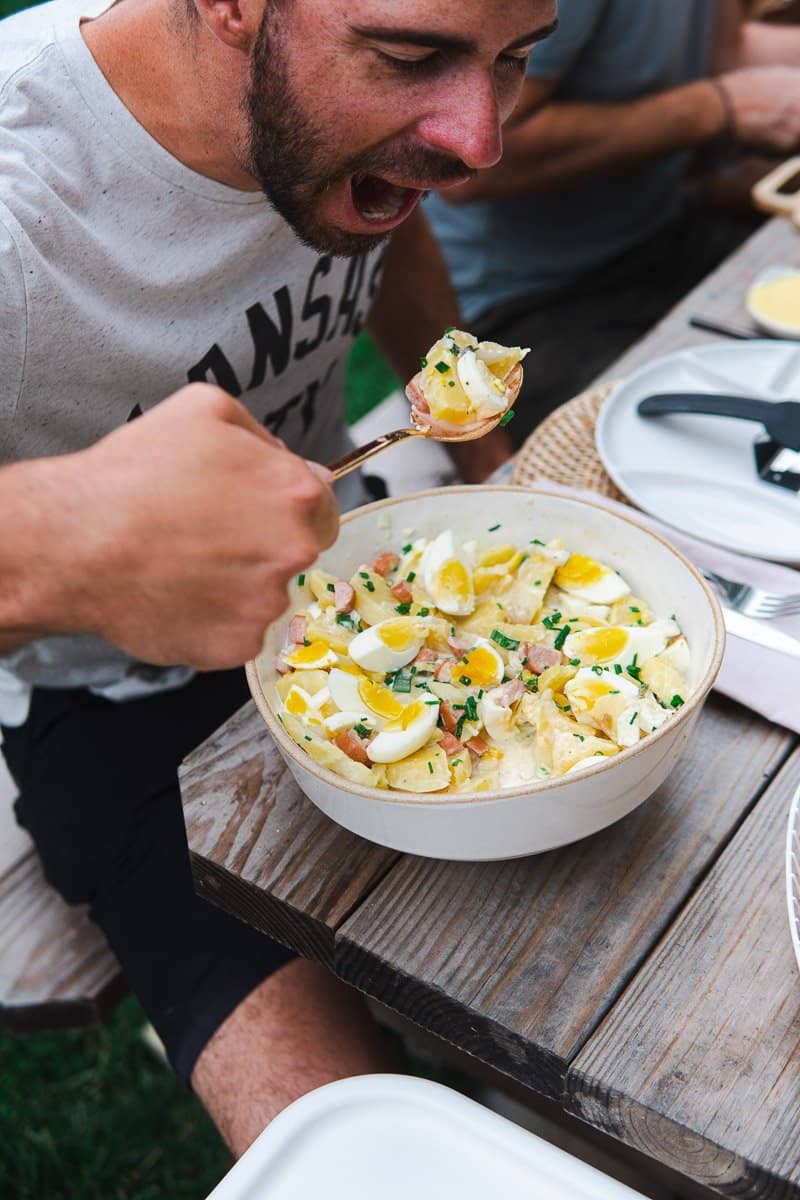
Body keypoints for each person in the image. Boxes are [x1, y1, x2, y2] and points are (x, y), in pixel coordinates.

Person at [0, 0, 558, 1157]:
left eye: (511, 62)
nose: (478, 141)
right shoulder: (20, 198)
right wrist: (57, 545)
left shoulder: (347, 143)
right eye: (411, 57)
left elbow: (394, 245)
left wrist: (495, 469)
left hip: (369, 592)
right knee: (373, 1158)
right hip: (126, 709)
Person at [426, 0, 800, 446]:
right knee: (697, 442)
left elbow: (721, 55)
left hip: (660, 231)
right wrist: (715, 110)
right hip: (523, 303)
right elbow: (470, 166)